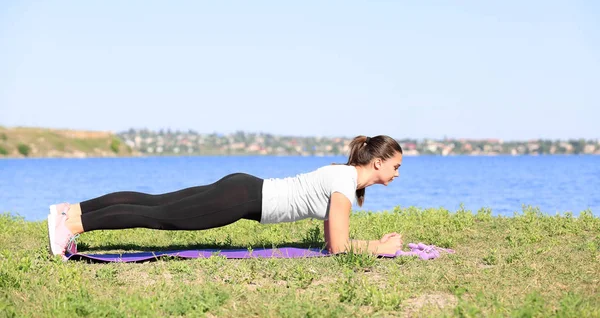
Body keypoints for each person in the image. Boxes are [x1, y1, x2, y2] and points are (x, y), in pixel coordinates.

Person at [47, 135, 404, 260]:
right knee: (161, 215)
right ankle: (74, 224)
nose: (397, 174)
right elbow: (338, 248)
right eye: (396, 166)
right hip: (241, 198)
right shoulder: (343, 183)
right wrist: (379, 247)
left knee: (157, 203)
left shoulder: (342, 177)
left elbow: (332, 240)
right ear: (378, 162)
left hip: (243, 189)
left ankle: (69, 210)